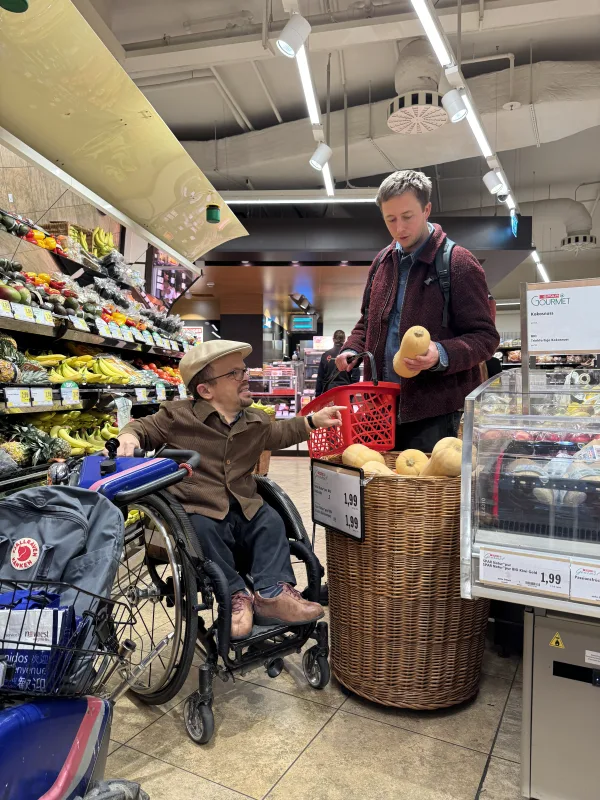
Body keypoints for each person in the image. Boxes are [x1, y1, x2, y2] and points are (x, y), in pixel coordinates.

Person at [116, 340, 345, 640]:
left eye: (244, 370)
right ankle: (236, 597)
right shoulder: (177, 417)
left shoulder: (255, 420)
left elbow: (280, 433)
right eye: (235, 373)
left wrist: (313, 421)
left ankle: (272, 593)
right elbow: (143, 428)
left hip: (243, 506)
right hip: (198, 509)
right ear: (205, 390)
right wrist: (129, 438)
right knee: (201, 530)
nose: (246, 377)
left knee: (270, 520)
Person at [336, 169, 499, 452]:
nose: (399, 228)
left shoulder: (458, 263)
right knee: (380, 487)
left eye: (407, 216)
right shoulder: (382, 263)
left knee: (425, 494)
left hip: (434, 411)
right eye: (390, 219)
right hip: (378, 408)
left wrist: (441, 354)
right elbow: (368, 321)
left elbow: (485, 337)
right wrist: (352, 347)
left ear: (426, 210)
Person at [315, 330, 360, 396]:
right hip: (345, 391)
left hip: (328, 391)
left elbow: (320, 377)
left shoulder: (325, 355)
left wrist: (318, 395)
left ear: (333, 339)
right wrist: (352, 393)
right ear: (344, 340)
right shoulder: (349, 355)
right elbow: (356, 376)